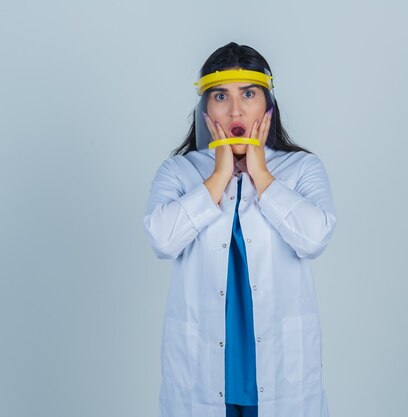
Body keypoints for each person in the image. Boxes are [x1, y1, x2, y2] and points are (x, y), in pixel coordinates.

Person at [142, 42, 338, 417]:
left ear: (268, 105)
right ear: (204, 110)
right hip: (201, 371)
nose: (235, 109)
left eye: (248, 94)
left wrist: (261, 175)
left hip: (282, 372)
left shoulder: (302, 169)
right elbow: (162, 240)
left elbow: (313, 239)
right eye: (221, 96)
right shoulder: (180, 172)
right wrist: (218, 176)